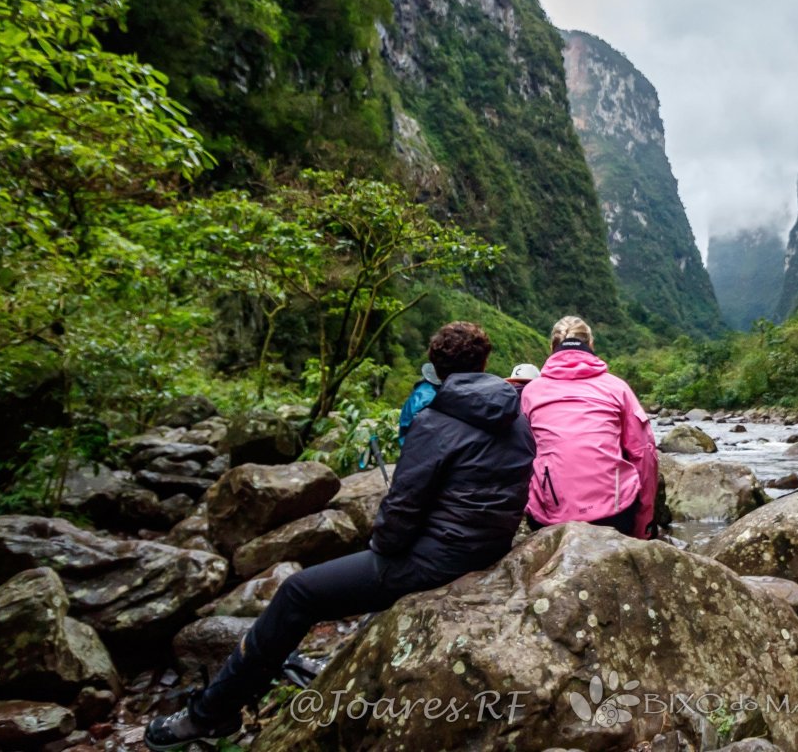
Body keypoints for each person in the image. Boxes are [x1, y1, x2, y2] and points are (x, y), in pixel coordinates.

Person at [144, 322, 535, 749]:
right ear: (484, 363)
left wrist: (380, 551)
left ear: (436, 369)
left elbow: (401, 512)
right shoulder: (516, 416)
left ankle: (208, 716)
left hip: (436, 560)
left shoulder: (434, 421)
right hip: (489, 548)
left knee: (297, 593)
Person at [521, 315, 657, 539]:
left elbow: (521, 456)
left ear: (552, 348)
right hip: (615, 516)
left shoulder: (531, 392)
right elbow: (644, 454)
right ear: (591, 345)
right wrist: (645, 521)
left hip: (548, 518)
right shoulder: (617, 388)